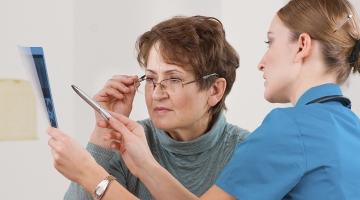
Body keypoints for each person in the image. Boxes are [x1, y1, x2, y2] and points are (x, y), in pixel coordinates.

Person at [74, 0, 360, 199]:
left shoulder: (287, 130)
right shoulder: (351, 128)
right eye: (150, 78)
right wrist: (103, 145)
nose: (261, 62)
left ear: (302, 45)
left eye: (270, 42)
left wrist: (92, 176)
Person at [47, 15, 249, 200]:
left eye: (174, 79)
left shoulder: (247, 151)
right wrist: (103, 132)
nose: (157, 93)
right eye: (151, 78)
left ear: (214, 90)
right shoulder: (128, 142)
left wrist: (90, 173)